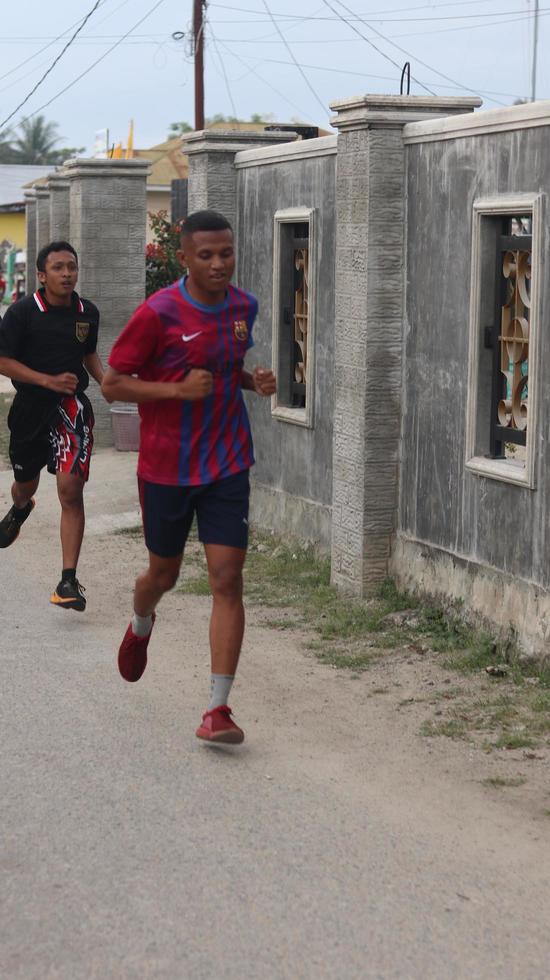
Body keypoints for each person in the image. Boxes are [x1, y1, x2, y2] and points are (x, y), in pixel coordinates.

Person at [102, 209, 276, 745]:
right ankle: (141, 622)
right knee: (164, 575)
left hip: (227, 461)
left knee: (227, 578)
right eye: (206, 255)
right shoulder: (158, 314)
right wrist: (176, 392)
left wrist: (254, 380)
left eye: (226, 253)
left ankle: (217, 709)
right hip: (167, 466)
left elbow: (221, 371)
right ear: (184, 258)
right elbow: (112, 384)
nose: (219, 263)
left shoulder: (243, 306)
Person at [0, 241, 104, 610]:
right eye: (58, 268)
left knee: (70, 491)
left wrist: (106, 381)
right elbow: (3, 361)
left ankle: (67, 581)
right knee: (24, 484)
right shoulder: (22, 313)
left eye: (71, 267)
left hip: (72, 409)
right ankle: (21, 507)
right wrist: (45, 381)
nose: (66, 274)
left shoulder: (86, 312)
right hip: (30, 409)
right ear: (42, 276)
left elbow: (88, 353)